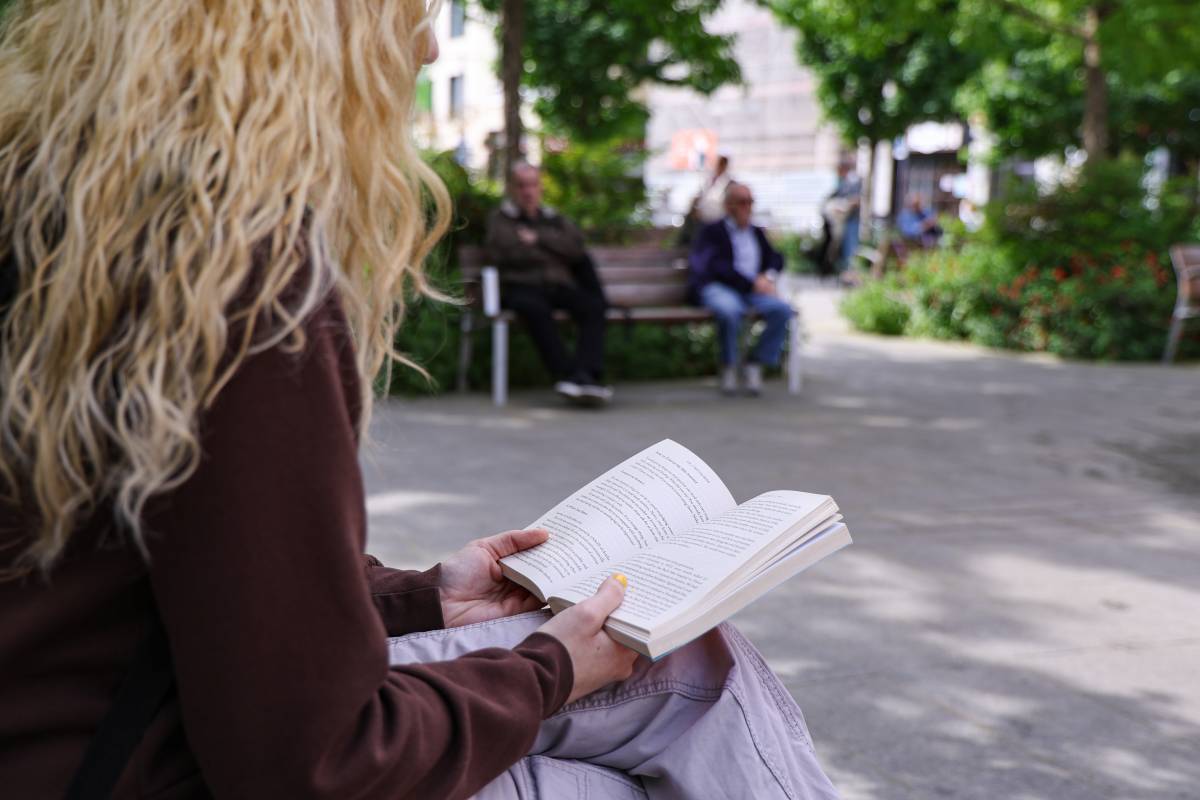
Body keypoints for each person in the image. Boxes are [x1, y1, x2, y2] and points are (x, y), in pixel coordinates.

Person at [0, 3, 839, 800]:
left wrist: (425, 596)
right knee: (692, 671)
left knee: (682, 667)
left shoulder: (59, 211)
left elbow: (195, 583)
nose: (428, 49)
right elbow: (315, 764)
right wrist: (548, 669)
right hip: (128, 771)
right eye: (408, 9)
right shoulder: (232, 279)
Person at [485, 163, 612, 406]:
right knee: (535, 310)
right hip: (521, 287)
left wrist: (538, 239)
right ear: (512, 188)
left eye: (532, 185)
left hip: (557, 286)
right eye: (522, 186)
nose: (528, 191)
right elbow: (503, 254)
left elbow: (575, 249)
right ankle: (569, 374)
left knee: (593, 307)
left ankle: (587, 375)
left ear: (540, 187)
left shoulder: (553, 218)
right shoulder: (501, 219)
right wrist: (552, 248)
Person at [689, 183, 795, 397]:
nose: (748, 207)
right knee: (730, 311)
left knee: (782, 310)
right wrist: (752, 283)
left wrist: (767, 276)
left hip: (753, 290)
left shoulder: (756, 232)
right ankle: (728, 366)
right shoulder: (712, 232)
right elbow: (714, 266)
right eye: (742, 202)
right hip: (721, 288)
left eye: (750, 202)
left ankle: (755, 364)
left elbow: (776, 258)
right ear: (728, 206)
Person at [824, 163, 862, 274]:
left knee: (851, 247)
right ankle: (846, 271)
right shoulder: (843, 183)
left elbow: (856, 200)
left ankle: (851, 271)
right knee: (843, 246)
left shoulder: (853, 182)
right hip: (843, 220)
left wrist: (844, 206)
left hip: (851, 219)